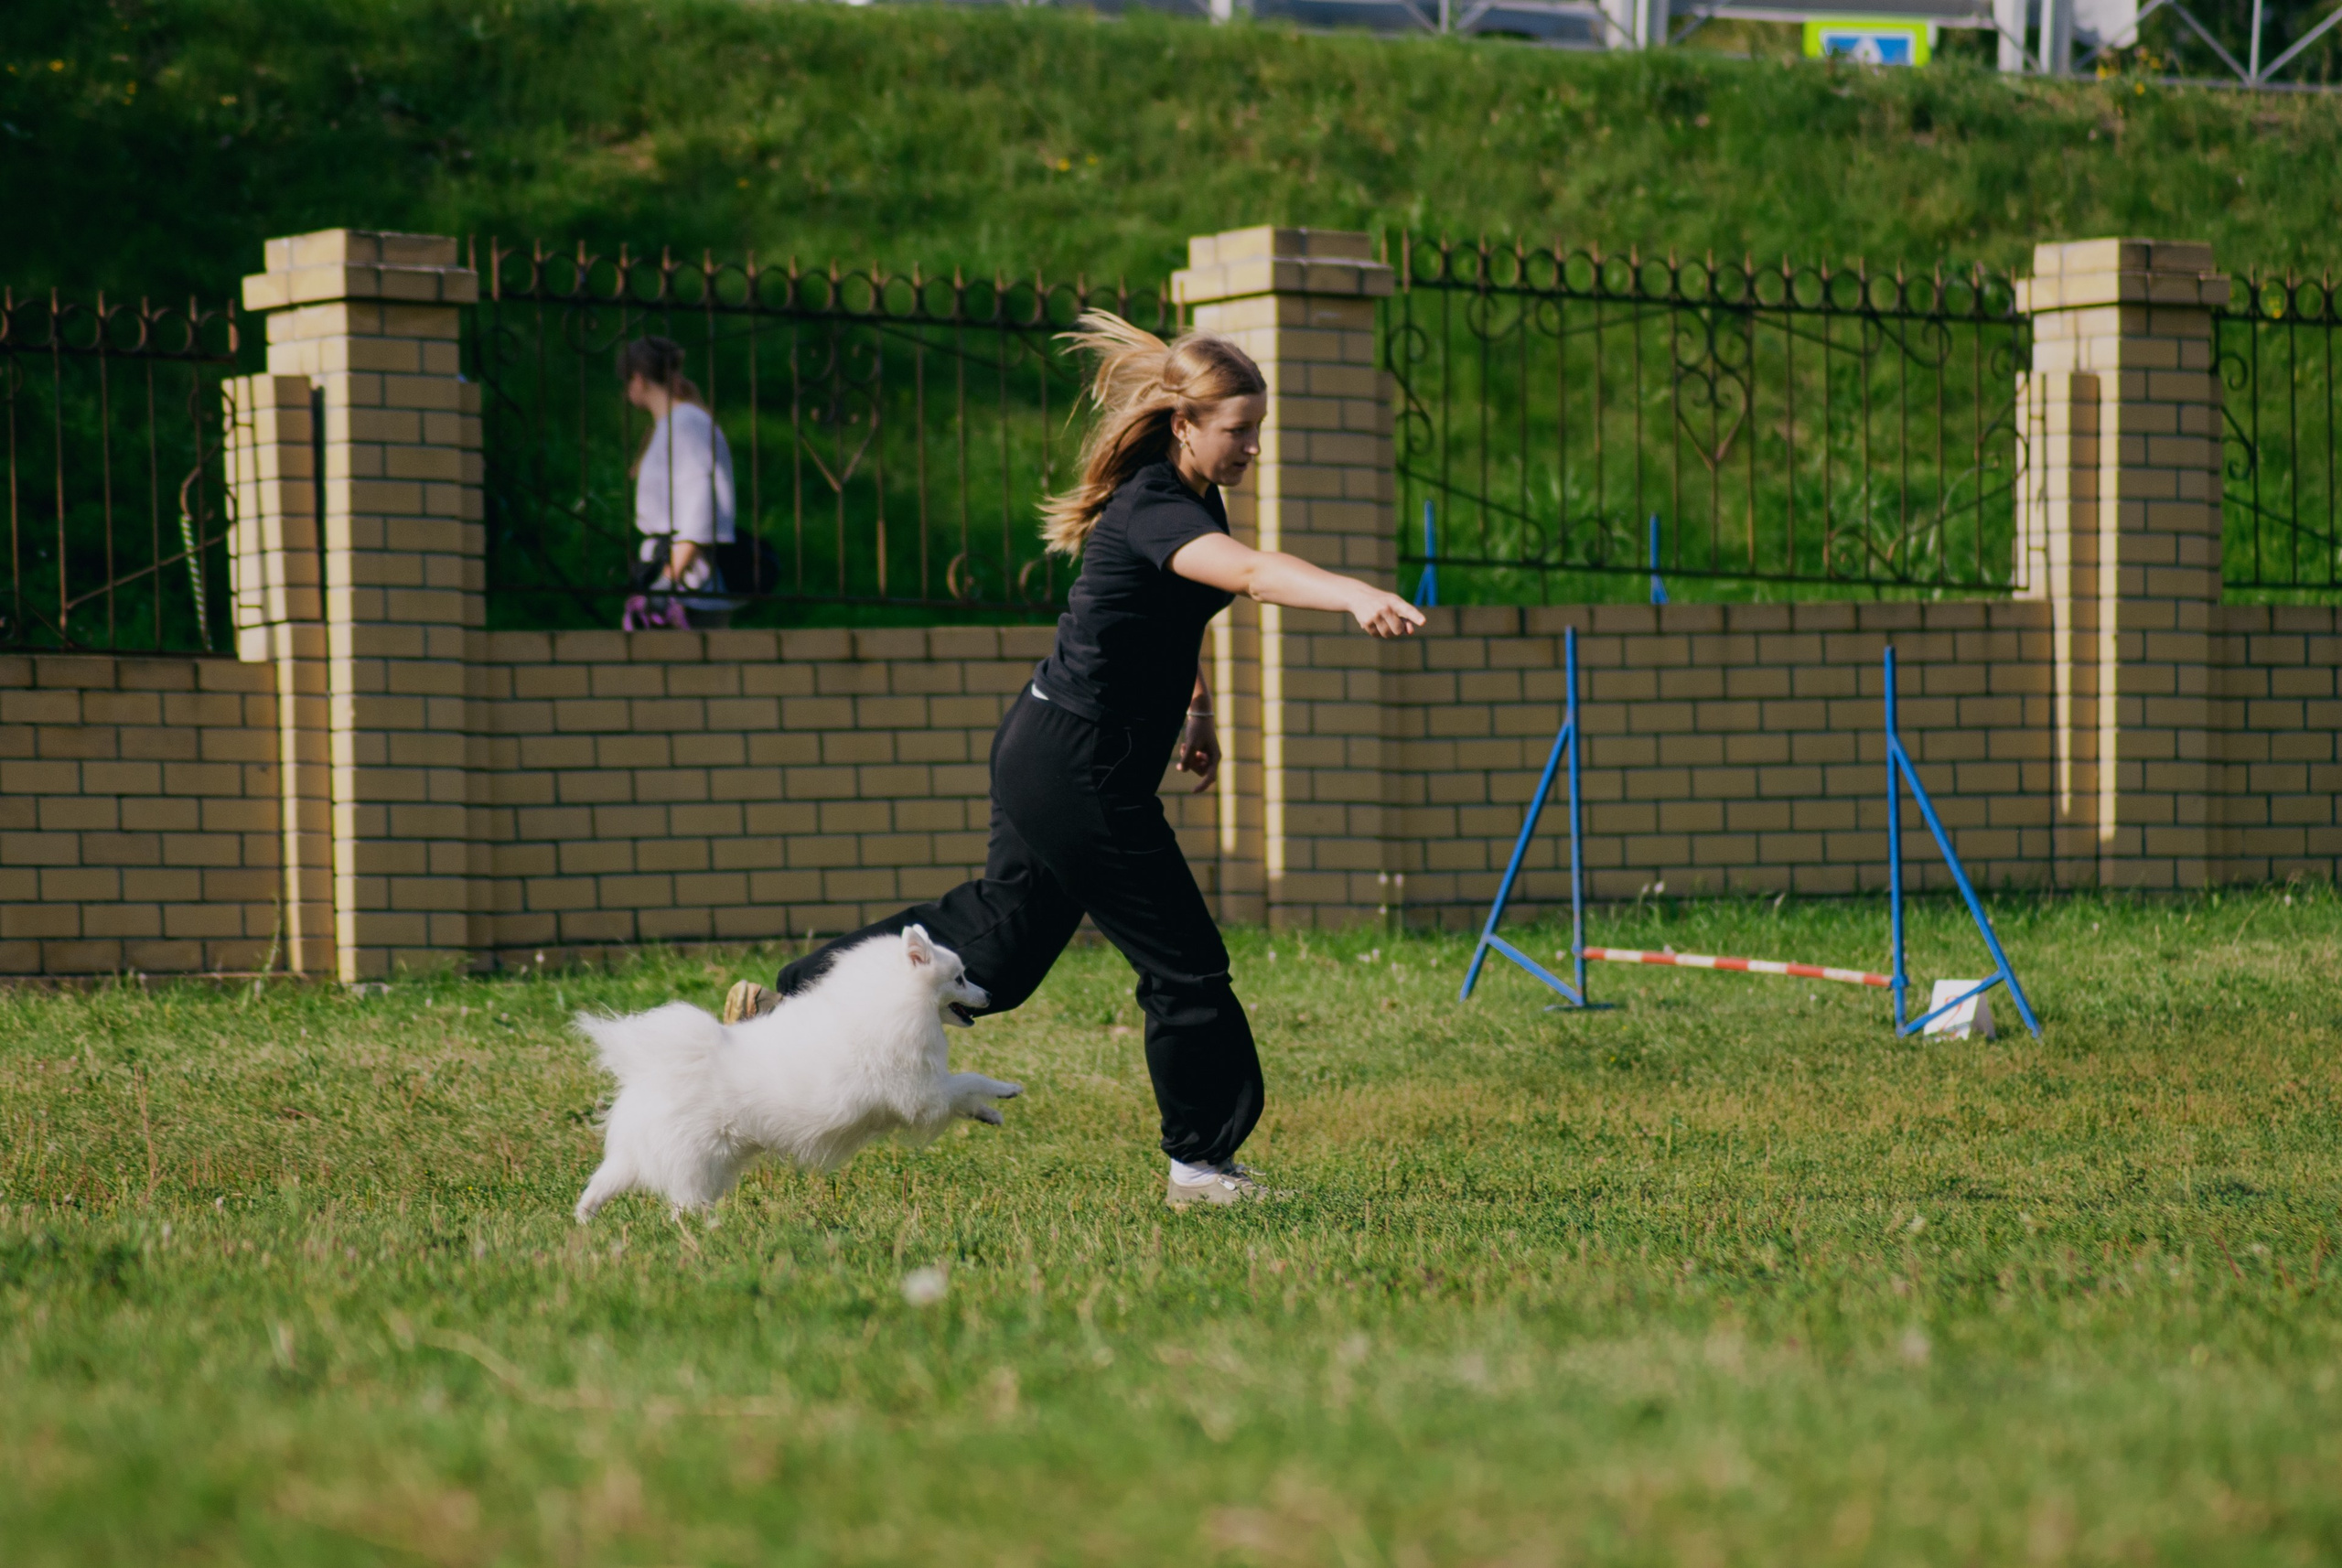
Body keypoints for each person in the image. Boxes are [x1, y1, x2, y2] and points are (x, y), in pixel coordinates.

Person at [725, 312, 1425, 1207]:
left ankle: (794, 999)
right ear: (1184, 424)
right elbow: (1251, 574)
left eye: (1258, 428)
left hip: (1054, 749)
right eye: (1238, 429)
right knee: (1186, 966)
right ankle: (1200, 1167)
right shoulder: (1157, 504)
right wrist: (1355, 593)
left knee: (997, 959)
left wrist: (1196, 706)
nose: (1252, 446)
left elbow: (1175, 608)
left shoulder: (1183, 495)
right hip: (1079, 765)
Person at [620, 337, 738, 629]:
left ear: (637, 380)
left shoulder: (686, 423)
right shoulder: (673, 424)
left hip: (687, 591)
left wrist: (668, 581)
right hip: (677, 583)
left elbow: (701, 507)